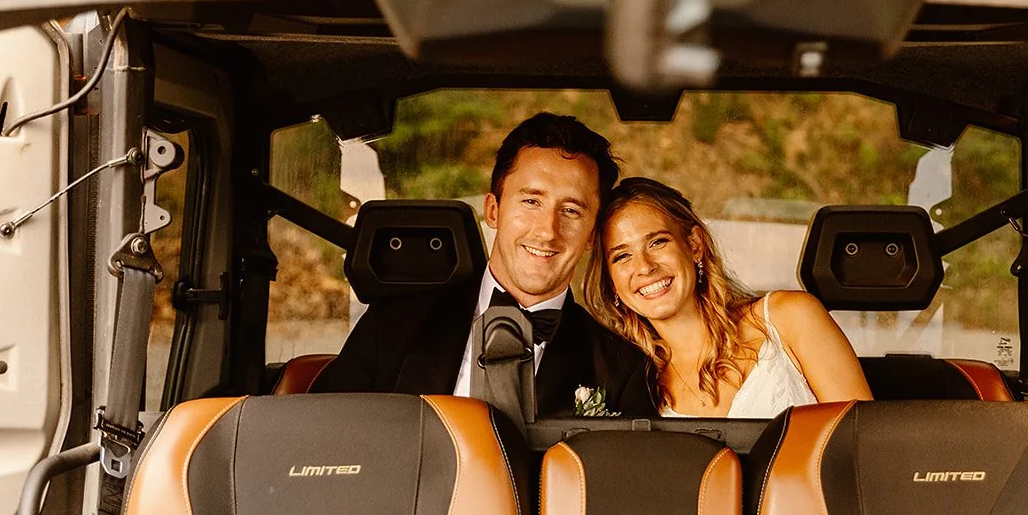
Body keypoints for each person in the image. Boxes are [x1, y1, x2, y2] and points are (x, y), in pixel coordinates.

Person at [312, 113, 656, 417]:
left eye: (571, 210)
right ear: (493, 210)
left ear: (592, 234)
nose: (547, 231)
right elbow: (320, 437)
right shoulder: (391, 325)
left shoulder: (622, 371)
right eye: (531, 201)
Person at [584, 178, 872, 418]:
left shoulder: (788, 317)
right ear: (612, 283)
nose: (645, 267)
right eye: (622, 256)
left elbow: (864, 446)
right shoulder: (631, 385)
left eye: (658, 242)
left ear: (694, 245)